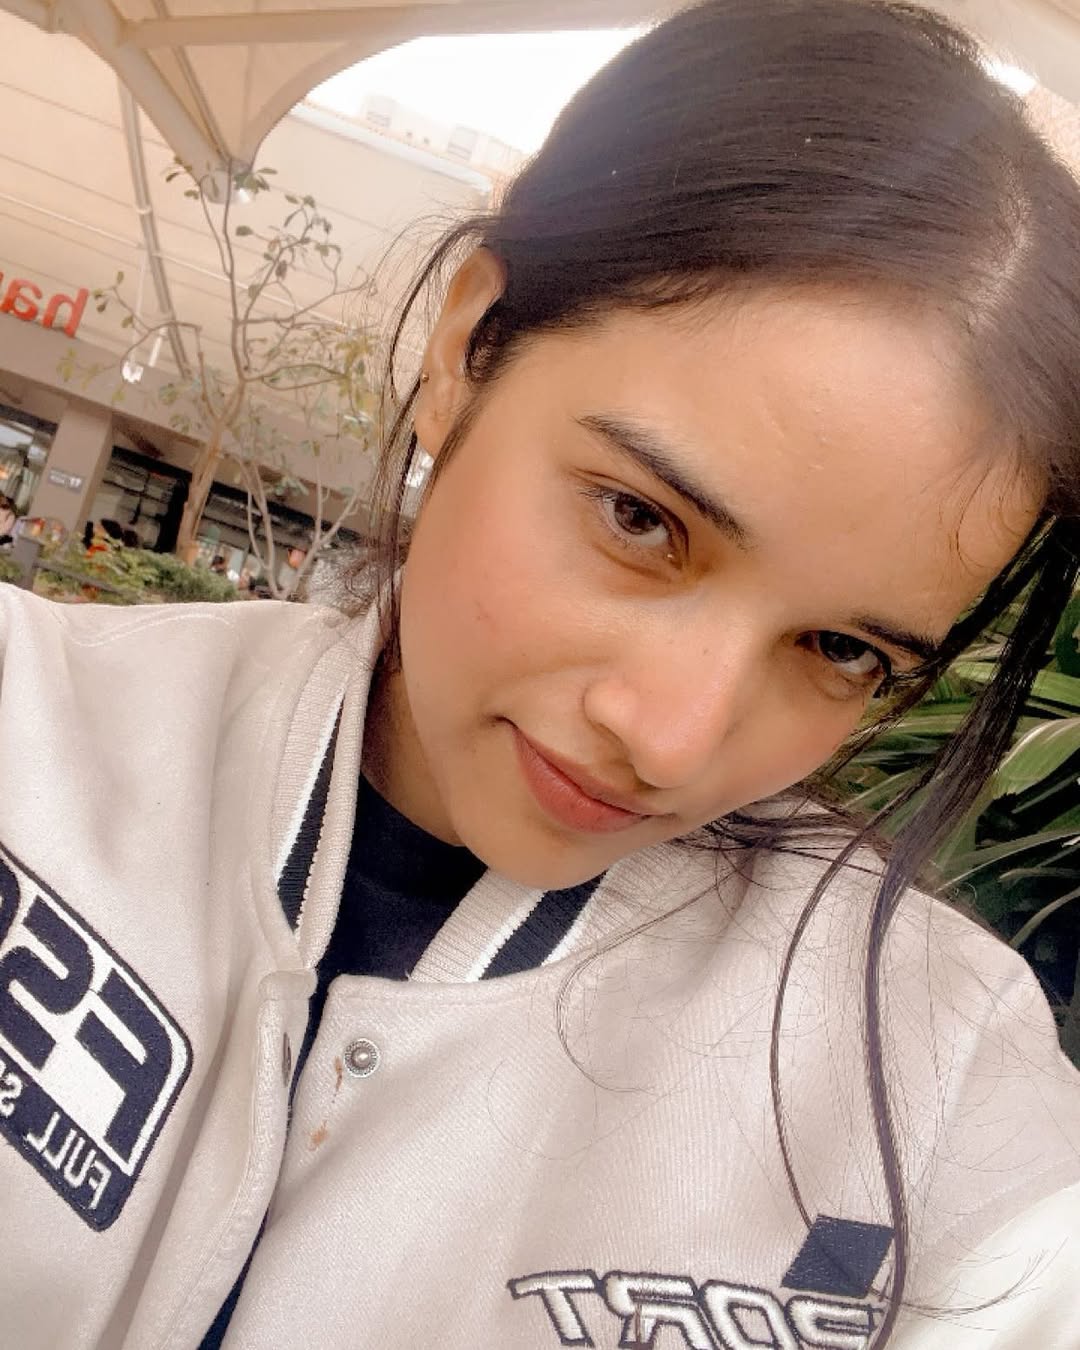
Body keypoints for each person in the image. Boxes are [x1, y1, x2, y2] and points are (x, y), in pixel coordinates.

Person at [0, 2, 1077, 1347]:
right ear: (468, 345)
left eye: (843, 650)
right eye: (640, 520)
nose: (672, 739)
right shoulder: (28, 726)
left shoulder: (935, 1085)